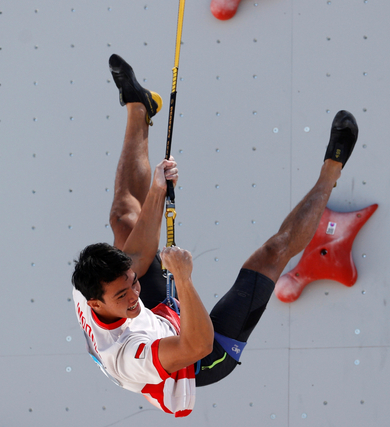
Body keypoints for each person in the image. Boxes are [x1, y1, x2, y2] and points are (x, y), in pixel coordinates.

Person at [71, 54, 358, 417]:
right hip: (199, 358)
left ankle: (138, 108)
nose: (134, 292)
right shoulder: (130, 355)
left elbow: (140, 259)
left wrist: (159, 189)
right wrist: (183, 280)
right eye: (123, 294)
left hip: (157, 321)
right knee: (271, 253)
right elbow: (196, 343)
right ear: (96, 304)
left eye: (131, 283)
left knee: (124, 220)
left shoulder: (96, 285)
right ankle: (332, 168)